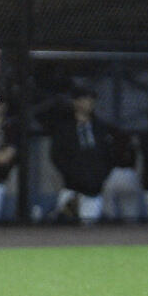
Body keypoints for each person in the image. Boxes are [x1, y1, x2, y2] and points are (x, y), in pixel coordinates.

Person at [47, 86, 114, 224]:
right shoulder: (65, 128)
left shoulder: (100, 128)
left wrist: (98, 178)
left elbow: (109, 156)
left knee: (88, 226)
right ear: (75, 102)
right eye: (85, 99)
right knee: (65, 223)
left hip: (94, 190)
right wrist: (75, 176)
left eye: (91, 99)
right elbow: (57, 156)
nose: (89, 103)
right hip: (71, 188)